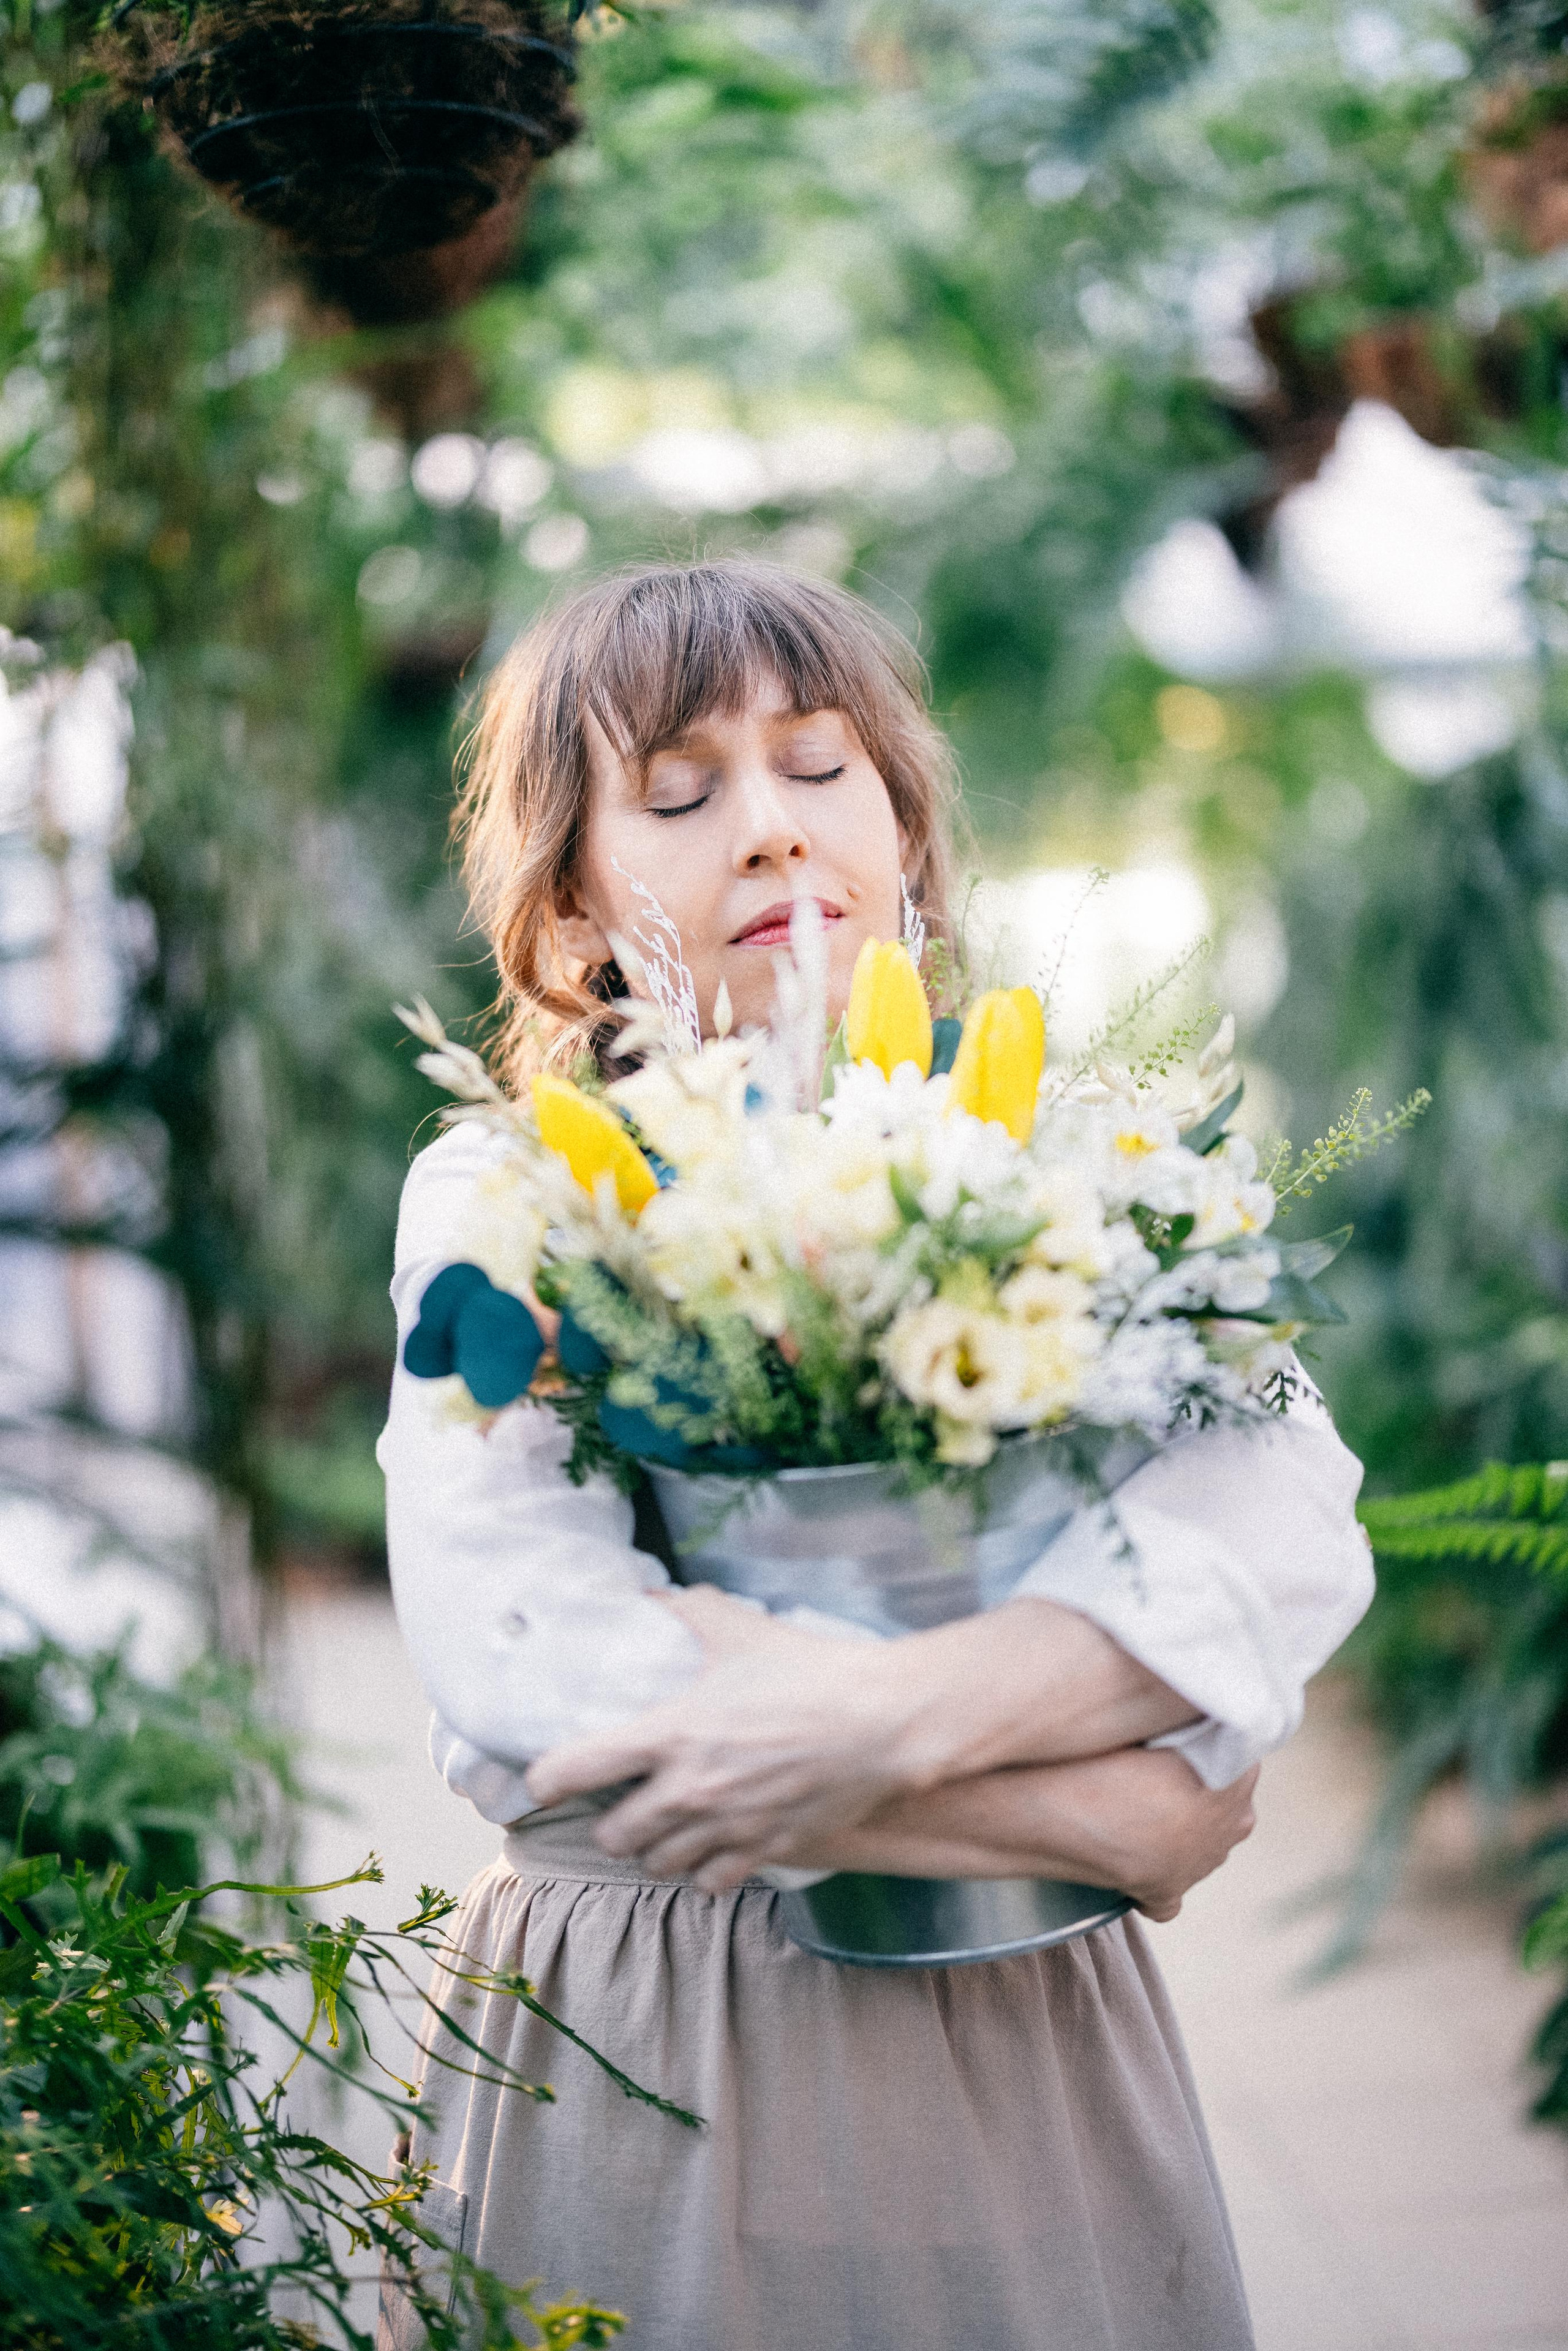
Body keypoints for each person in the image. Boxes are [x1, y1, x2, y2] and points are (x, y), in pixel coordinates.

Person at [377, 558, 1371, 2351]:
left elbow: (1281, 1511)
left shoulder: (1078, 1151)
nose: (767, 830)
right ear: (574, 916)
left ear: (907, 840)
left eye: (821, 768)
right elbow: (517, 1637)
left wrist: (880, 1720)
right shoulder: (507, 1191)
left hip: (1019, 2023)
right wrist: (1100, 1807)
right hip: (657, 2023)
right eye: (680, 794)